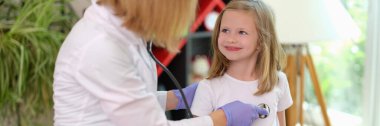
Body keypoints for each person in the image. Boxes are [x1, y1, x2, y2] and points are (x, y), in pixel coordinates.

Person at [53, 0, 268, 125]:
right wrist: (222, 118)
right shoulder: (101, 47)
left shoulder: (126, 36)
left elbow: (128, 101)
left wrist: (174, 99)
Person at [190, 0, 293, 126]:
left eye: (242, 32)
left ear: (261, 41)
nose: (230, 39)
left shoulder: (278, 80)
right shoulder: (207, 88)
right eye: (225, 30)